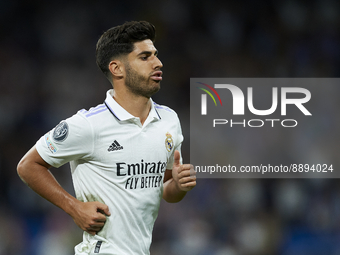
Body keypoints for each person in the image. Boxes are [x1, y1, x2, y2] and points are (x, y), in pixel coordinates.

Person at [17, 20, 196, 255]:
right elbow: (28, 165)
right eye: (145, 57)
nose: (158, 63)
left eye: (156, 55)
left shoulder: (169, 120)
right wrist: (74, 208)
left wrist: (179, 186)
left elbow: (164, 188)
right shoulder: (88, 125)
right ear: (117, 68)